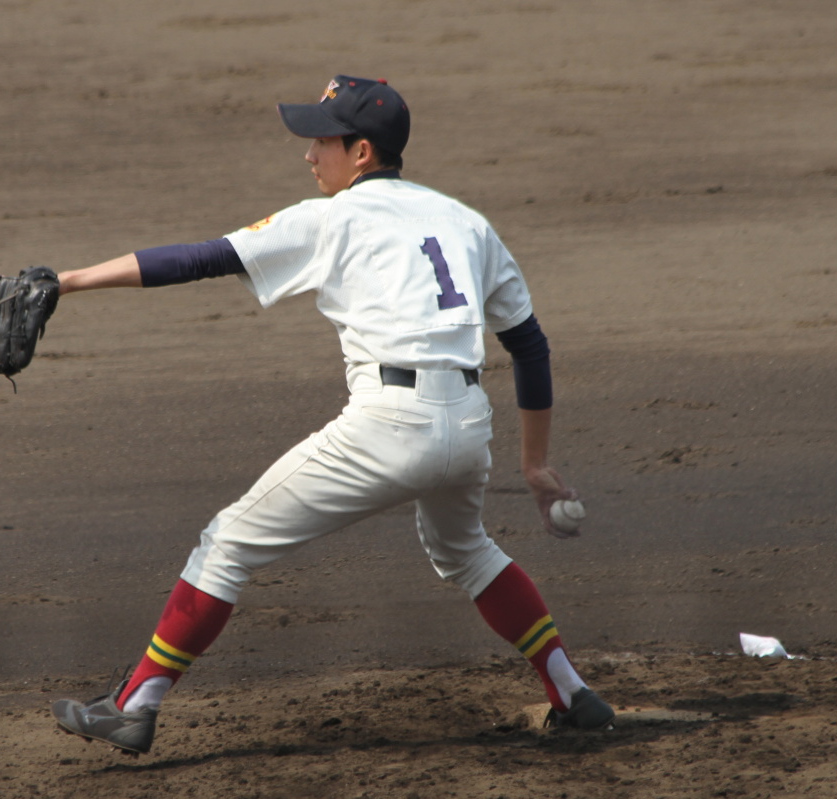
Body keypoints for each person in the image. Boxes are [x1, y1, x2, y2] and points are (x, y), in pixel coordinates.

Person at [50, 75, 614, 756]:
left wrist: (70, 280)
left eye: (322, 140)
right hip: (467, 425)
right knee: (466, 551)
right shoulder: (467, 222)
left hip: (387, 426)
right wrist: (534, 463)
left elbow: (202, 258)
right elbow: (527, 343)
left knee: (226, 543)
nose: (308, 154)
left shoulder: (333, 217)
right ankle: (571, 690)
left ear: (362, 153)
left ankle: (134, 702)